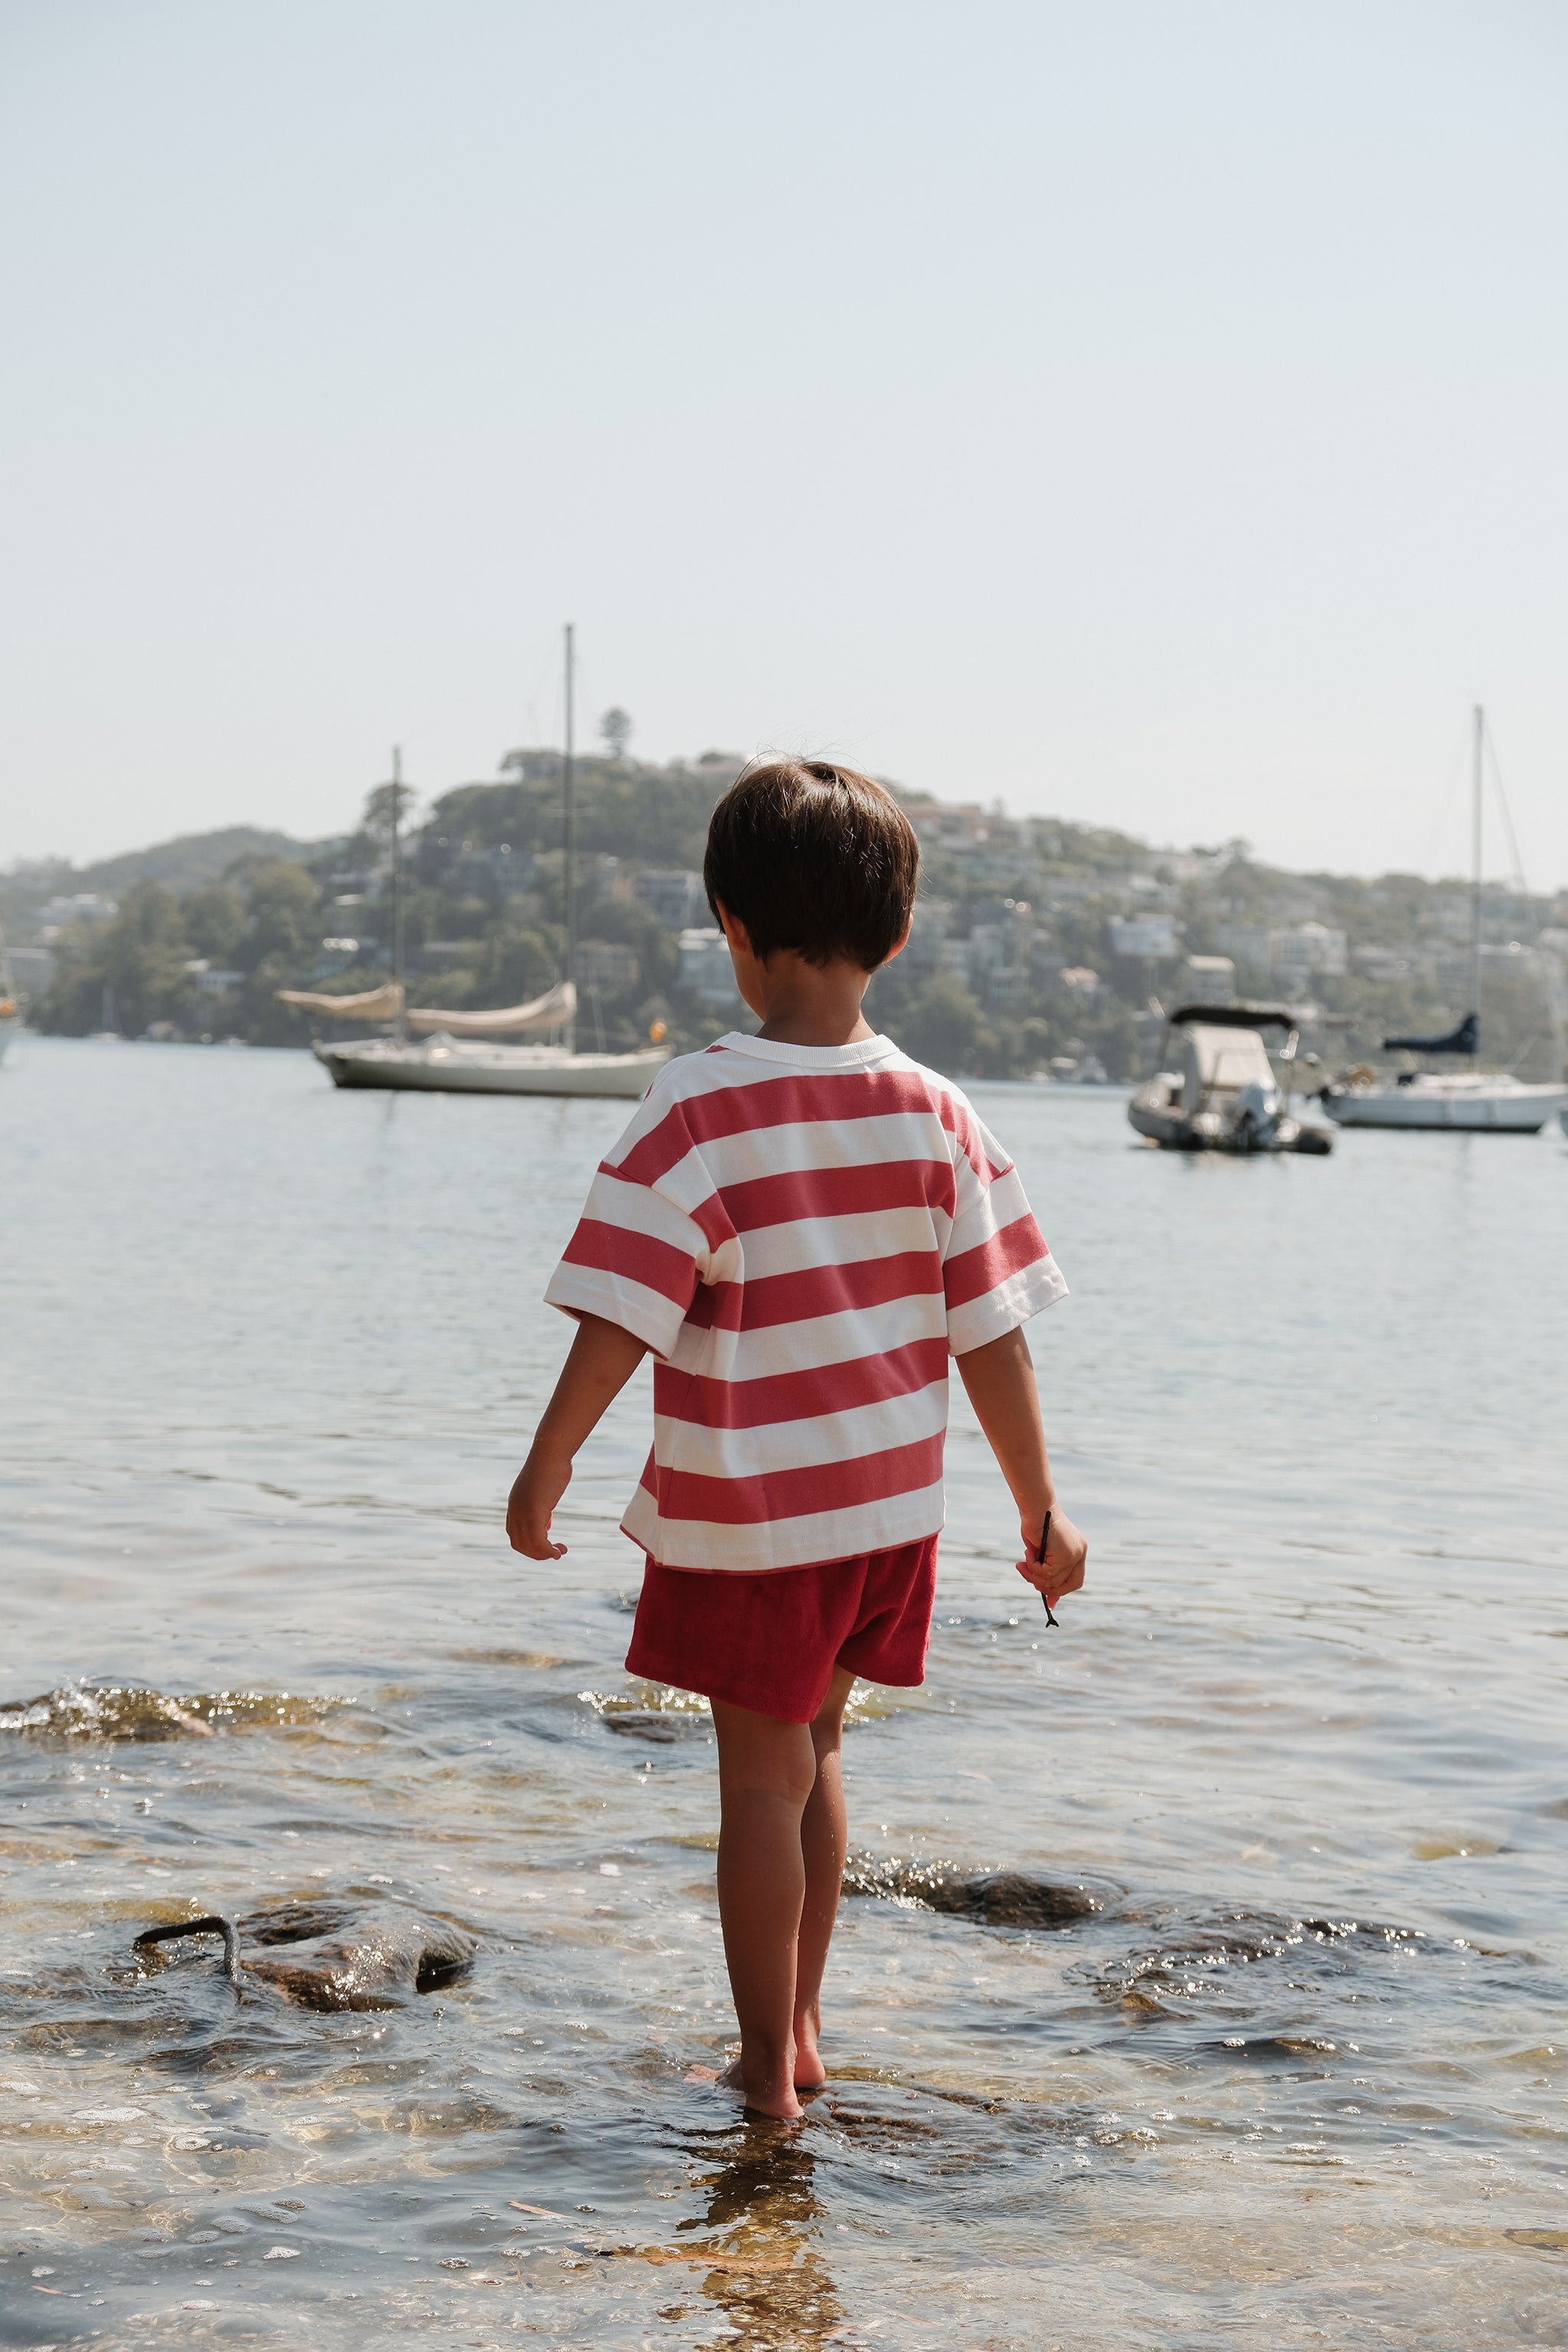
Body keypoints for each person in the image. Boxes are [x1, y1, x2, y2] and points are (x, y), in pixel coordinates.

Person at [506, 759, 1087, 2121]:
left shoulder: (697, 1106)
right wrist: (1041, 1509)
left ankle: (764, 2071)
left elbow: (620, 1313)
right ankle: (808, 2027)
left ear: (730, 923)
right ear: (899, 933)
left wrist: (549, 1463)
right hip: (885, 1522)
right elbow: (993, 1335)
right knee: (819, 1752)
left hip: (756, 1521)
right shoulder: (939, 1113)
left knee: (759, 1786)